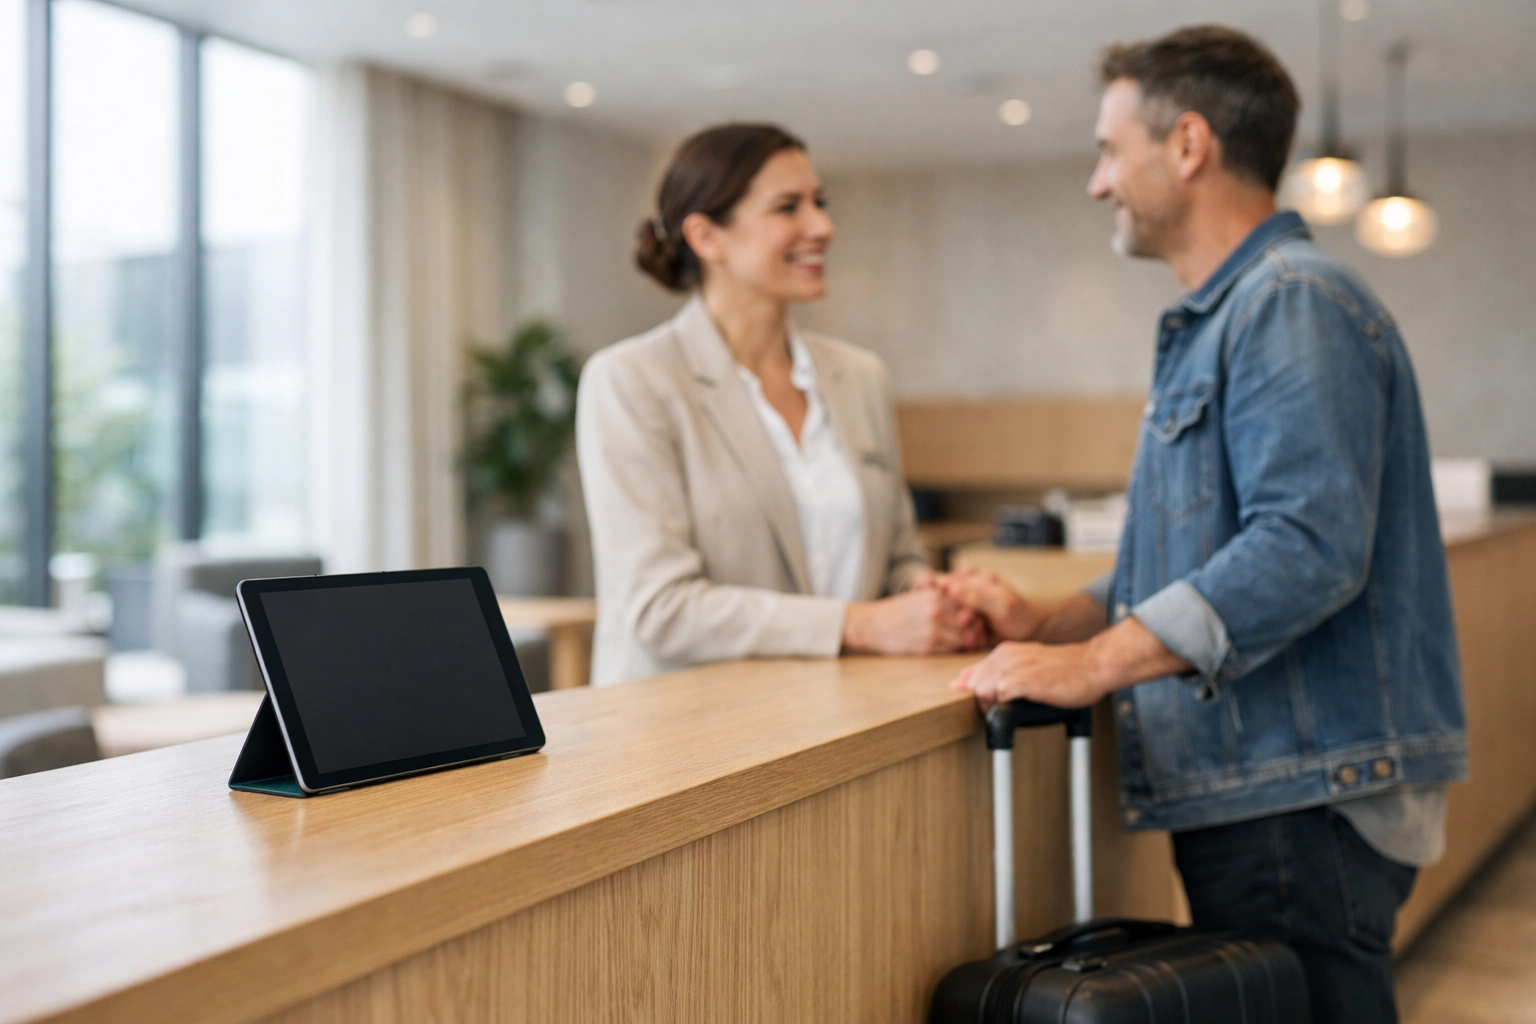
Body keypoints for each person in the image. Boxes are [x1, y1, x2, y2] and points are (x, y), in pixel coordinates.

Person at [945, 27, 1466, 1024]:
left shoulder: (1289, 303)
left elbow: (1305, 545)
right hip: (1276, 789)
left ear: (1187, 145)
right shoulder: (1234, 314)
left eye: (1109, 149)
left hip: (1301, 800)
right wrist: (1054, 619)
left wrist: (1098, 664)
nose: (1098, 182)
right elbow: (1202, 557)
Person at [577, 123, 982, 688]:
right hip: (683, 734)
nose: (822, 227)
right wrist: (857, 625)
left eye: (820, 203)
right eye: (788, 207)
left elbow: (898, 559)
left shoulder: (860, 378)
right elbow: (660, 610)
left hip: (844, 716)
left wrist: (932, 597)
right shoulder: (631, 381)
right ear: (706, 237)